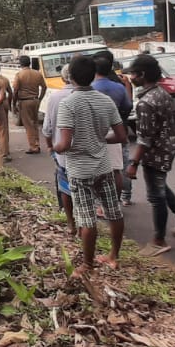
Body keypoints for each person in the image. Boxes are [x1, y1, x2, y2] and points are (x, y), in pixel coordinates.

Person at [53, 55, 129, 272]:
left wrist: (55, 148)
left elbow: (65, 143)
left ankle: (88, 264)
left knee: (87, 219)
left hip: (80, 169)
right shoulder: (105, 101)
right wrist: (100, 139)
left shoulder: (68, 104)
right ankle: (114, 256)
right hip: (104, 166)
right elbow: (122, 136)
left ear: (71, 77)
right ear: (93, 74)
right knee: (113, 211)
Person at [123, 54, 175, 257]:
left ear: (142, 75)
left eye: (132, 73)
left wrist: (133, 163)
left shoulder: (146, 103)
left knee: (156, 197)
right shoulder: (161, 93)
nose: (130, 77)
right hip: (168, 147)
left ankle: (159, 240)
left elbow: (144, 139)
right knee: (161, 187)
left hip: (155, 152)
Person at [43, 64, 79, 235]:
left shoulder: (56, 98)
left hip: (63, 154)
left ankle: (71, 223)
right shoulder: (91, 96)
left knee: (65, 188)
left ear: (64, 78)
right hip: (87, 155)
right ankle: (85, 223)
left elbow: (47, 128)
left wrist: (50, 146)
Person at [93, 55, 132, 203]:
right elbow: (128, 107)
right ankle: (123, 197)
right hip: (117, 130)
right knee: (120, 167)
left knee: (98, 168)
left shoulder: (90, 88)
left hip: (96, 132)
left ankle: (100, 201)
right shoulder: (119, 87)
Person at [13, 55, 47, 155]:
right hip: (35, 100)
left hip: (24, 101)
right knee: (35, 123)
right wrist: (40, 98)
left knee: (28, 125)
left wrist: (14, 103)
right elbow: (44, 87)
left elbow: (15, 90)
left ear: (20, 64)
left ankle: (33, 147)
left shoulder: (19, 75)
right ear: (30, 63)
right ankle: (37, 143)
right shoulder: (37, 74)